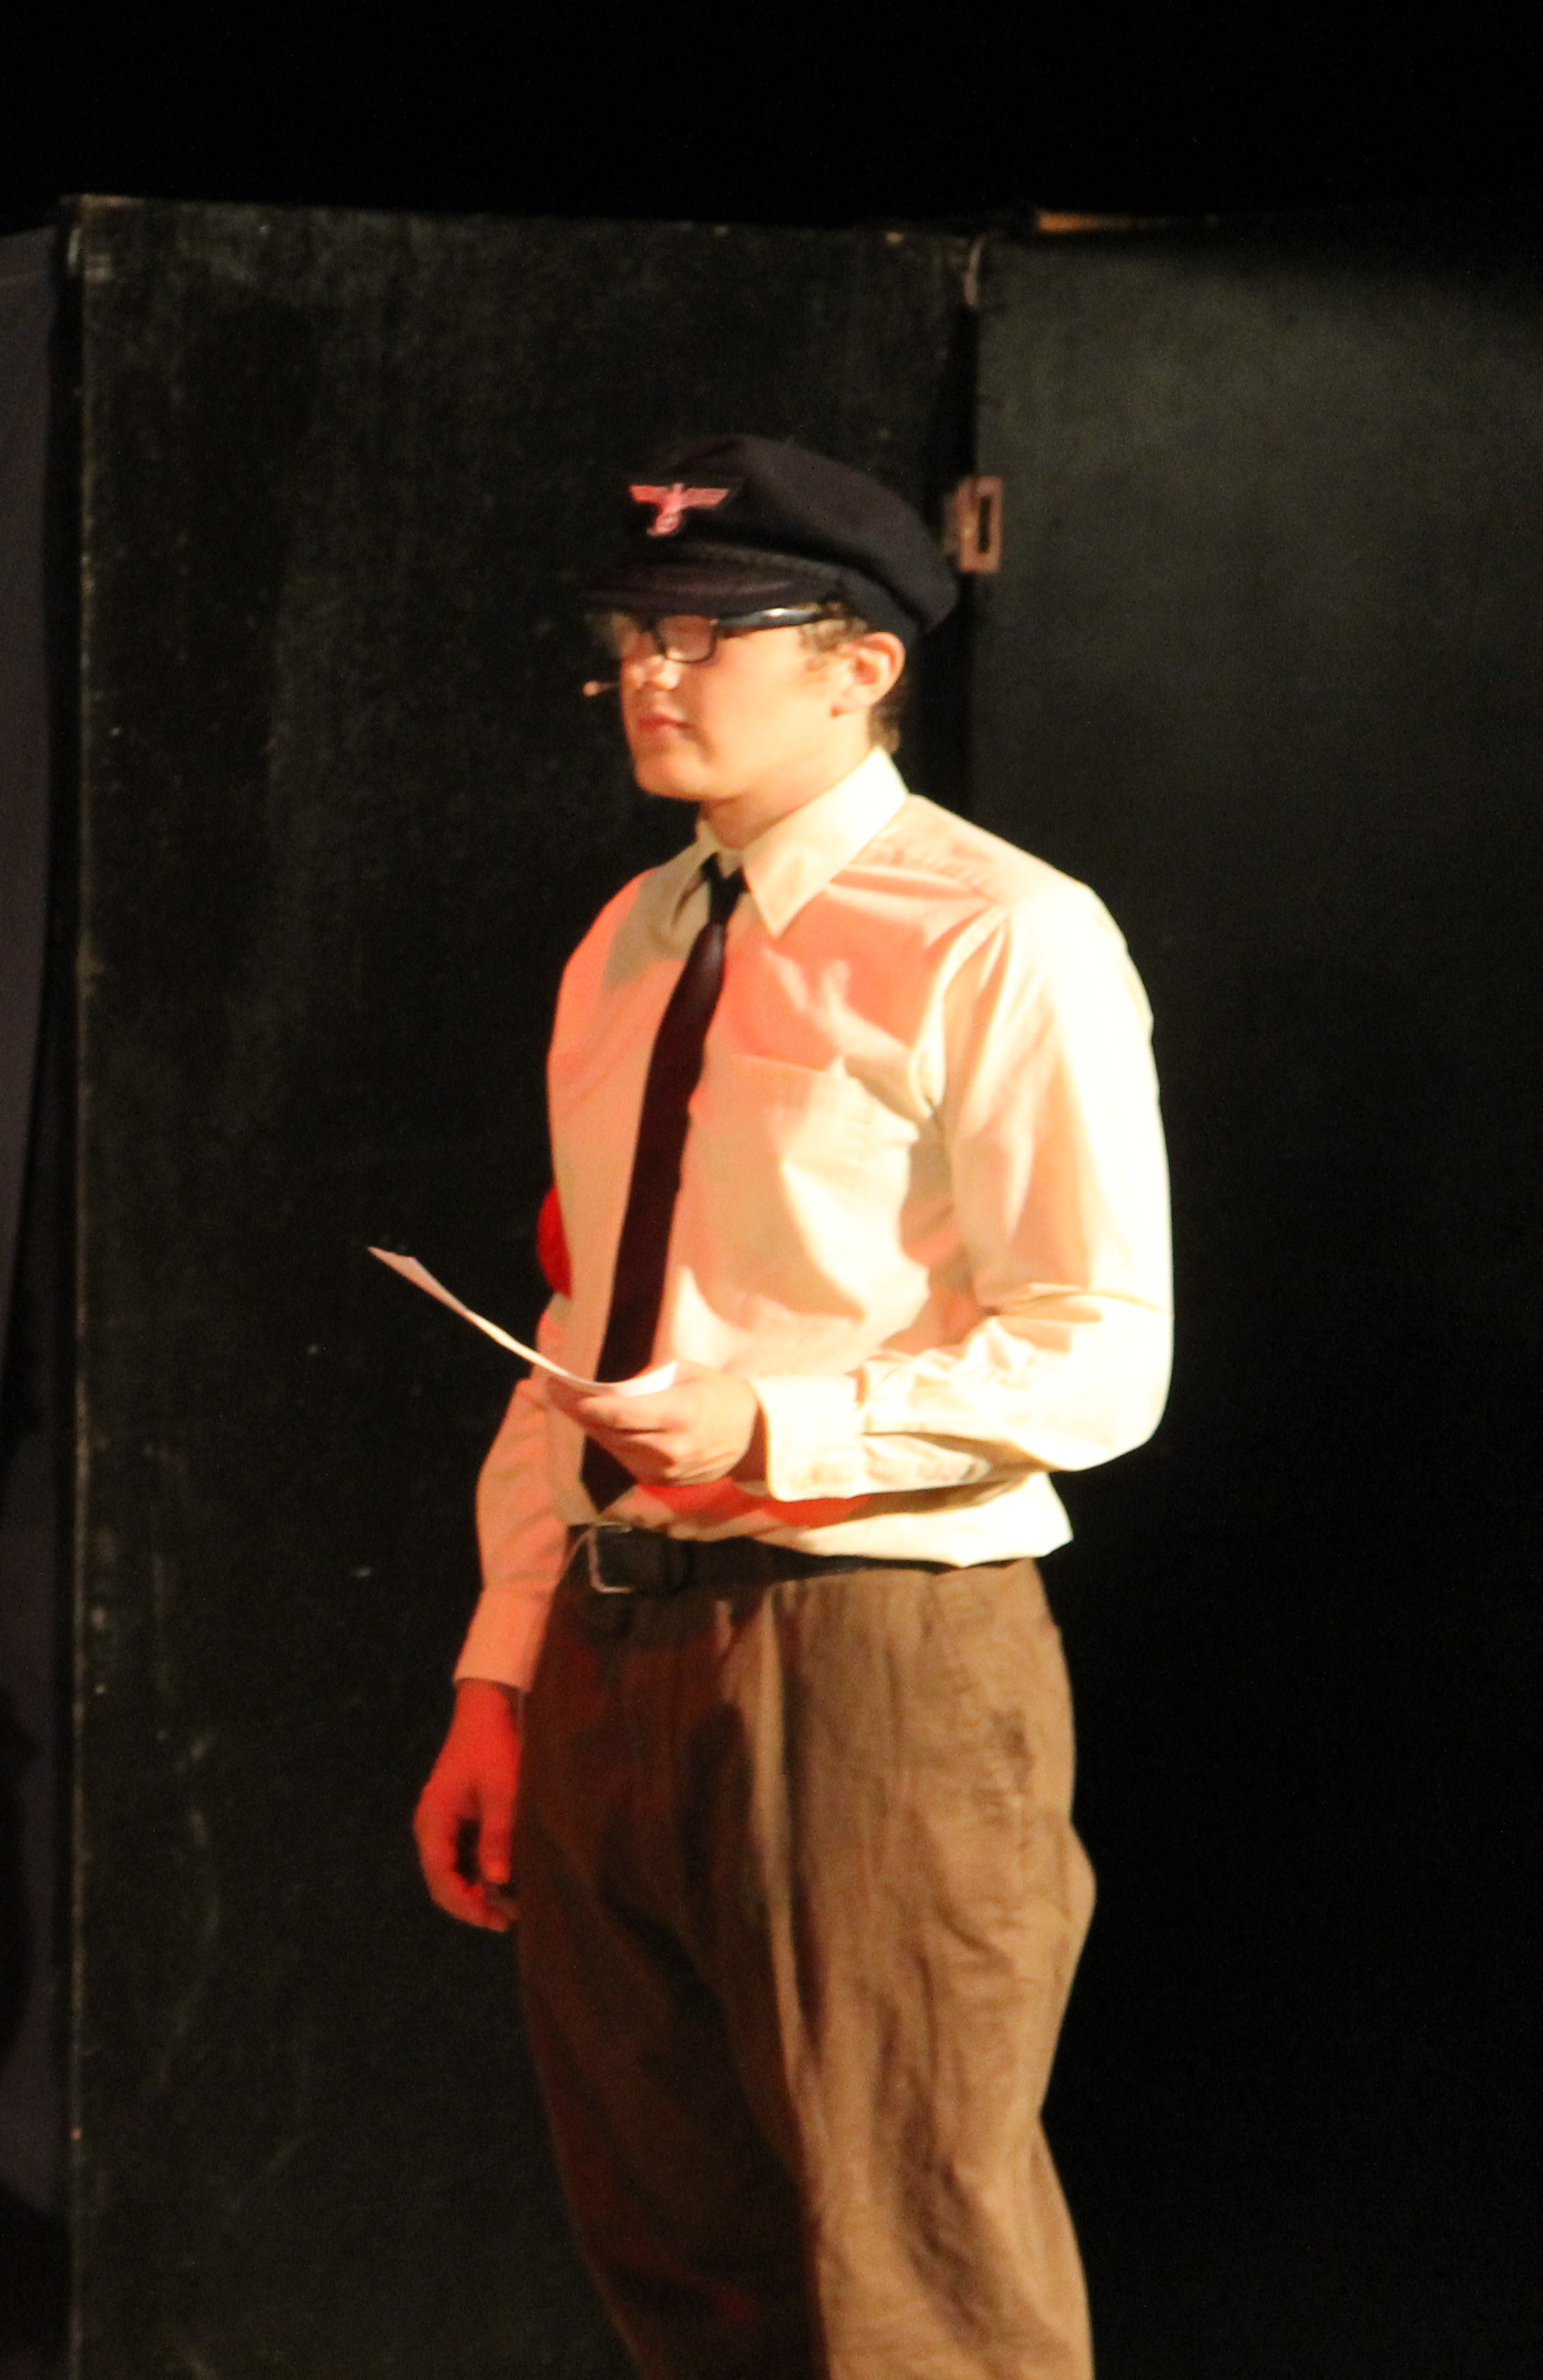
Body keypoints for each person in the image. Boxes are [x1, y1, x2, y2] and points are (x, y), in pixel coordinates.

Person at [409, 435, 1172, 2380]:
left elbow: (1101, 1349)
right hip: (621, 1643)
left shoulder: (996, 932)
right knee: (685, 2261)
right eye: (632, 636)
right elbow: (585, 1320)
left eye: (708, 635)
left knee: (916, 2270)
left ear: (861, 665)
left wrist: (776, 1425)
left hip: (873, 1653)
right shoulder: (634, 936)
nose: (652, 674)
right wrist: (503, 1667)